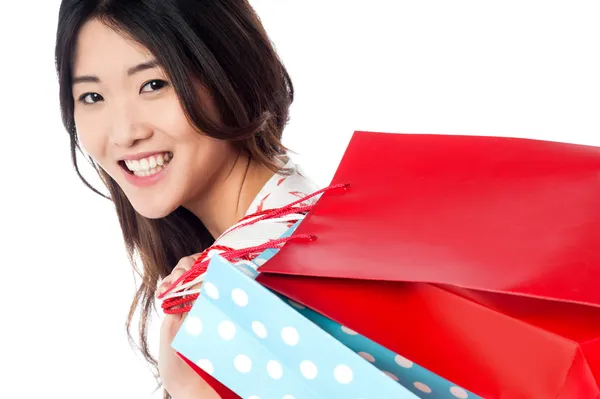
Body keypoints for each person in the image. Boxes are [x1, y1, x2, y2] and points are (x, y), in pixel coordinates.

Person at [54, 1, 319, 398]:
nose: (124, 133)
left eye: (153, 85)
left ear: (231, 72)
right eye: (92, 96)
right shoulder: (227, 266)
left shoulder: (291, 275)